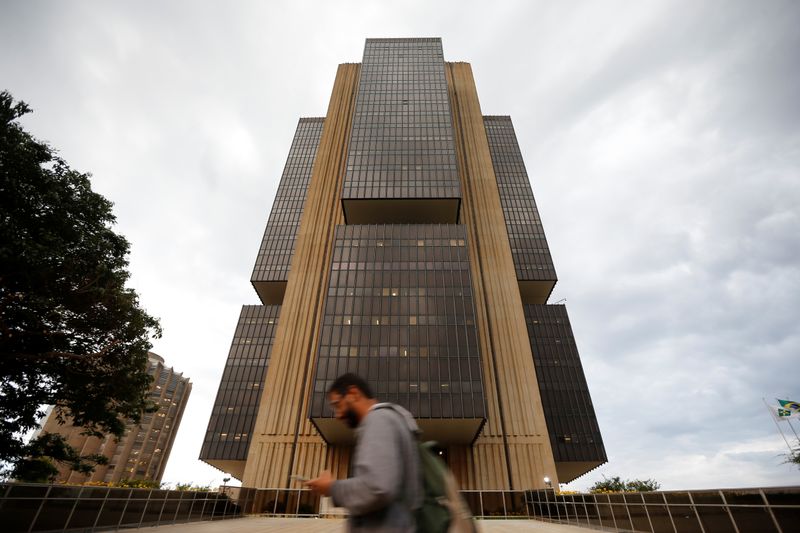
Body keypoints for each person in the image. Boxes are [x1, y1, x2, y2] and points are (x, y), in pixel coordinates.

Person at [306, 373, 422, 532]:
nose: (338, 415)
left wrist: (331, 487)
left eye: (337, 405)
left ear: (353, 394)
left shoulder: (378, 420)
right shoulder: (392, 419)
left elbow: (377, 487)